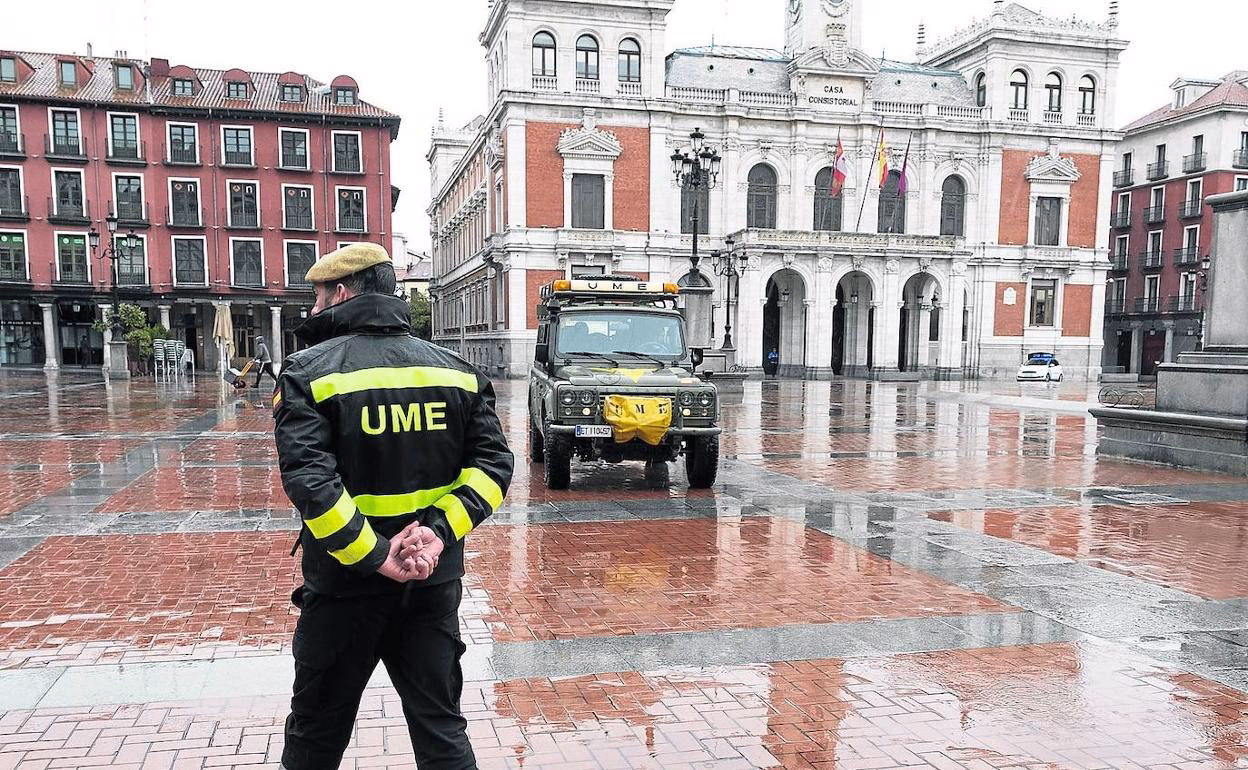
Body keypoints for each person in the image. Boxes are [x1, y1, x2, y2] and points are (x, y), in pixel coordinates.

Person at [272, 243, 513, 770]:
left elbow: (311, 482)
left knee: (315, 737)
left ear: (341, 293)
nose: (313, 308)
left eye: (317, 297)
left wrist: (377, 555)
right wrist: (436, 534)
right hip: (431, 582)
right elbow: (494, 468)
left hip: (343, 589)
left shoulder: (308, 374)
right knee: (442, 730)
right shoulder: (458, 373)